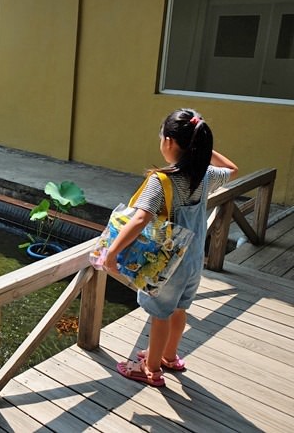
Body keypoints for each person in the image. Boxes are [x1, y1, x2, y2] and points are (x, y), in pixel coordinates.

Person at [102, 108, 238, 386]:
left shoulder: (162, 180)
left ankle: (149, 369)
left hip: (168, 263)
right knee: (180, 309)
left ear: (169, 143)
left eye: (162, 136)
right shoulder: (206, 176)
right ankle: (170, 356)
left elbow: (140, 218)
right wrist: (202, 146)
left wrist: (112, 252)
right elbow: (233, 169)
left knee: (159, 315)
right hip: (193, 260)